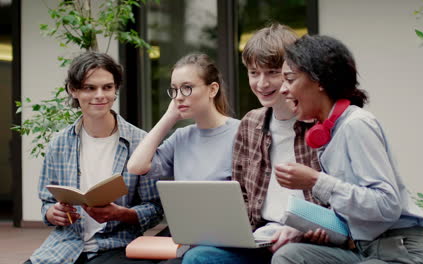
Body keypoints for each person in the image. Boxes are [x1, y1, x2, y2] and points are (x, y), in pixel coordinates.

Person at [272, 34, 423, 264]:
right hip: (367, 250)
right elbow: (357, 209)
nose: (282, 89)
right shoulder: (329, 132)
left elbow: (386, 204)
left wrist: (316, 181)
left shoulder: (357, 124)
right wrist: (306, 227)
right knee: (289, 256)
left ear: (319, 80)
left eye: (290, 79)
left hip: (405, 251)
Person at [182, 23, 325, 264]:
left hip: (303, 238)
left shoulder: (319, 124)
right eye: (253, 73)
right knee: (198, 257)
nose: (262, 83)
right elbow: (241, 195)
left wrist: (310, 225)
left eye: (272, 72)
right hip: (261, 237)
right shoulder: (251, 123)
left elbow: (339, 195)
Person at [26, 52, 164, 264]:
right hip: (64, 246)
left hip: (118, 245)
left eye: (107, 87)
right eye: (90, 88)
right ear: (74, 90)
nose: (99, 95)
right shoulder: (59, 144)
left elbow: (155, 208)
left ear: (116, 89)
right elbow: (47, 202)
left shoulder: (141, 143)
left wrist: (122, 214)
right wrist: (53, 213)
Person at [127, 53, 240, 182]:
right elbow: (135, 166)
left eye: (187, 87)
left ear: (213, 89)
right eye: (174, 89)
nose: (178, 97)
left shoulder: (241, 133)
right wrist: (169, 116)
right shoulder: (180, 137)